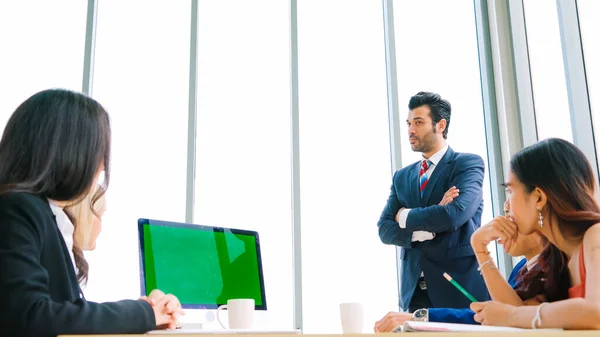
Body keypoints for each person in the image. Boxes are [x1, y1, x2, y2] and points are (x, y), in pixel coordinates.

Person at [0, 89, 184, 337]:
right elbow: (30, 316)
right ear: (69, 152)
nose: (99, 169)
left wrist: (147, 314)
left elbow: (59, 313)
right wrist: (142, 314)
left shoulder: (44, 214)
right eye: (97, 156)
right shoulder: (19, 209)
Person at [374, 201, 566, 331]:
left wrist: (480, 249)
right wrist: (420, 317)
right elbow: (494, 317)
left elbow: (514, 320)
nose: (501, 225)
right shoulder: (522, 268)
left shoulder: (558, 269)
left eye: (509, 215)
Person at [471, 138, 600, 330]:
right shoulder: (558, 258)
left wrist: (510, 315)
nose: (507, 205)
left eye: (510, 191)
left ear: (538, 197)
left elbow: (596, 313)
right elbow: (521, 319)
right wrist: (480, 249)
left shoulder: (595, 235)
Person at [378, 91, 489, 312]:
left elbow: (454, 215)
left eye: (418, 122)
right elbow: (384, 229)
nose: (410, 130)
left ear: (440, 125)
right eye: (409, 123)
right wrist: (424, 227)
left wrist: (405, 216)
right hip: (414, 295)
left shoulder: (466, 164)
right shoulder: (402, 177)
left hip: (458, 291)